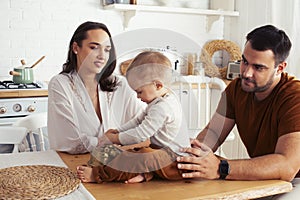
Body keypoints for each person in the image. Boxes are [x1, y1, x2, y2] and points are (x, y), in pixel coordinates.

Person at [177, 25, 300, 198]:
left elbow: (287, 166)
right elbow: (213, 133)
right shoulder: (237, 88)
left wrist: (221, 168)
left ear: (280, 68)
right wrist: (189, 159)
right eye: (244, 62)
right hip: (267, 178)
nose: (246, 73)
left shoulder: (295, 97)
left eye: (258, 67)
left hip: (295, 180)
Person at [76, 51, 191, 183]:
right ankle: (145, 174)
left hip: (175, 162)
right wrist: (118, 131)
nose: (137, 96)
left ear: (158, 85)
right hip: (160, 153)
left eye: (139, 91)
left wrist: (116, 138)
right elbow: (138, 120)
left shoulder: (163, 107)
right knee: (133, 152)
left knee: (138, 157)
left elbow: (140, 135)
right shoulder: (159, 99)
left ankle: (98, 174)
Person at [47, 21, 147, 154]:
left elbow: (145, 125)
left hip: (116, 162)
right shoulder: (60, 84)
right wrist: (116, 142)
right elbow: (71, 141)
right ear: (76, 48)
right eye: (94, 47)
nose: (102, 56)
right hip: (75, 164)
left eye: (107, 50)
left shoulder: (120, 84)